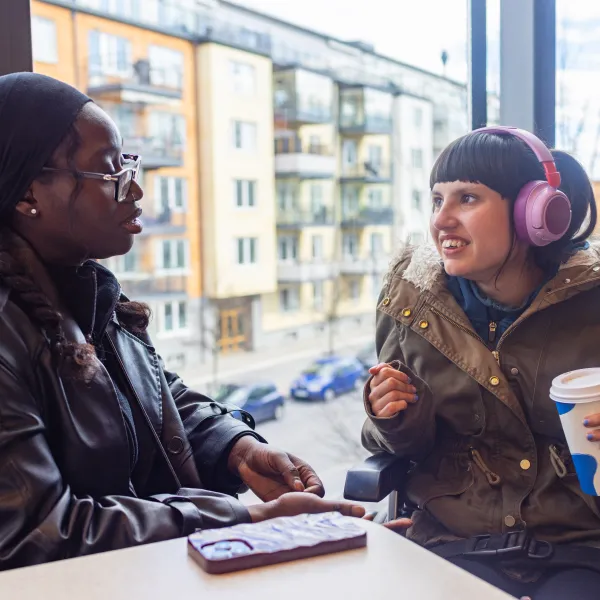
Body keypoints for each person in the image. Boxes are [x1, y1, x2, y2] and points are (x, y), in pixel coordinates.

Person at [0, 72, 365, 571]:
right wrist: (245, 520)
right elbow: (38, 536)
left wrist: (236, 448)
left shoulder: (86, 290)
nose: (135, 189)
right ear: (27, 195)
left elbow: (151, 397)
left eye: (128, 163)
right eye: (110, 171)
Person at [363, 126, 600, 598]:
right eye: (436, 201)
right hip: (456, 539)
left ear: (534, 212)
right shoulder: (411, 303)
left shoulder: (591, 306)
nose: (442, 220)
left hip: (577, 546)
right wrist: (393, 415)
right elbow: (389, 446)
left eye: (466, 198)